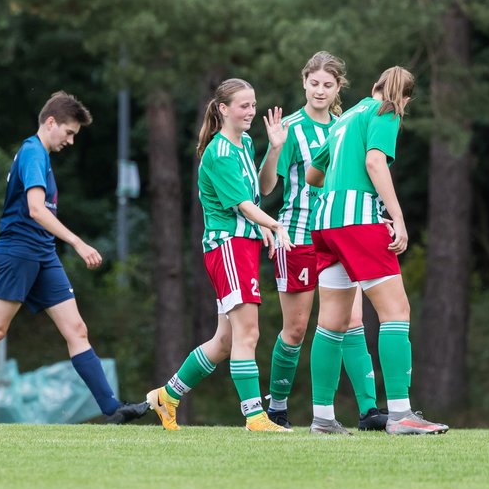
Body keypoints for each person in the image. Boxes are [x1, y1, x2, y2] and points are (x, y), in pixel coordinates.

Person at [0, 91, 151, 425]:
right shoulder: (32, 153)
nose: (70, 141)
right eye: (68, 132)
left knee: (76, 330)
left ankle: (113, 409)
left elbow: (19, 213)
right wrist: (78, 243)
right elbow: (36, 210)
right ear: (50, 122)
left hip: (40, 253)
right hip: (23, 252)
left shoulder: (39, 156)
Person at [305, 66, 448, 435]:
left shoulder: (344, 118)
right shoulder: (387, 111)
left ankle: (322, 417)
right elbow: (374, 161)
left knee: (331, 322)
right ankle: (401, 415)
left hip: (323, 224)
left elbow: (312, 174)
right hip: (357, 223)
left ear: (374, 87)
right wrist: (396, 218)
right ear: (405, 99)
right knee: (396, 311)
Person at [146, 78, 294, 432]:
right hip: (228, 247)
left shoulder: (242, 143)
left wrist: (274, 149)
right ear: (223, 109)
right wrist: (275, 226)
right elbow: (243, 206)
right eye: (244, 105)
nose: (251, 111)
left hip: (241, 246)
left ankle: (167, 396)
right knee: (249, 334)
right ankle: (256, 416)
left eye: (253, 104)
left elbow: (260, 190)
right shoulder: (219, 151)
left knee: (225, 341)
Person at [256, 52, 386, 433]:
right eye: (314, 83)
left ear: (338, 88)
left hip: (340, 232)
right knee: (295, 330)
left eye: (328, 85)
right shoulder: (292, 128)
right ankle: (277, 408)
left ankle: (368, 411)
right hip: (296, 237)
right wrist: (274, 147)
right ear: (304, 83)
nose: (320, 90)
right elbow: (266, 189)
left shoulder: (347, 126)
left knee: (353, 321)